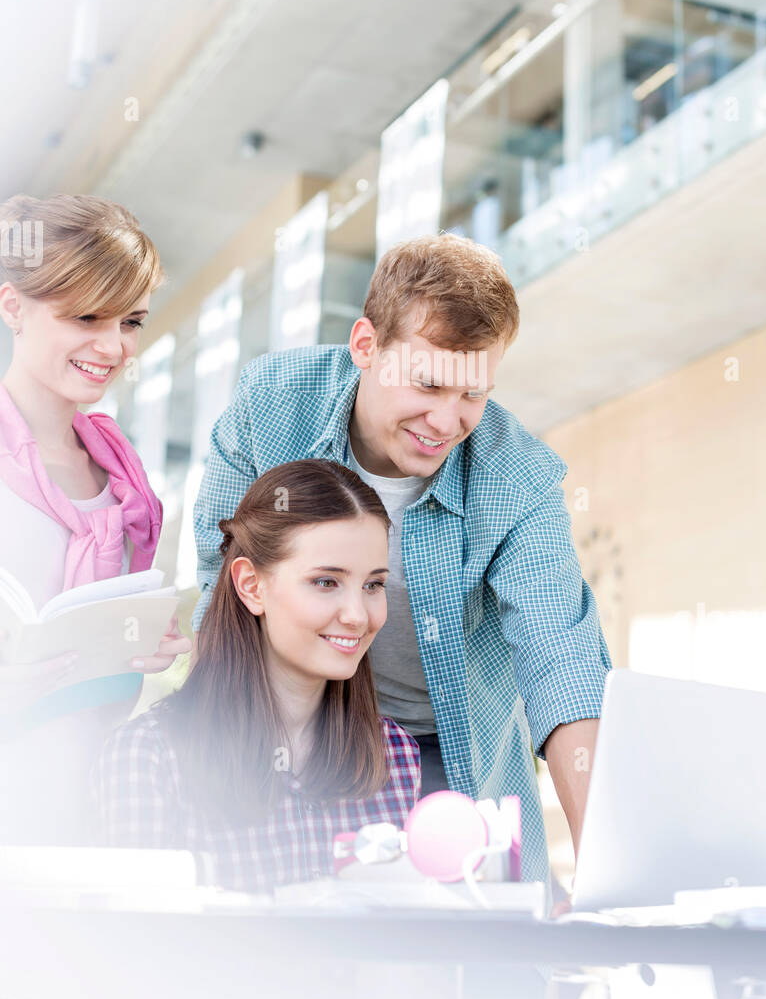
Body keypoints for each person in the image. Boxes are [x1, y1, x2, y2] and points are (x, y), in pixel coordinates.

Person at [191, 233, 611, 891]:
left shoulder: (517, 476)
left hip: (451, 750)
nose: (447, 421)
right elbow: (223, 586)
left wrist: (605, 866)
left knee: (493, 952)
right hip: (297, 730)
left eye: (473, 394)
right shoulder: (271, 407)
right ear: (366, 346)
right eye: (429, 384)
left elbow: (562, 659)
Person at [94, 460, 420, 891]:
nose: (358, 616)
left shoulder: (396, 757)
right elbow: (139, 948)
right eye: (326, 582)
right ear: (251, 585)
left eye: (373, 585)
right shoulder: (148, 756)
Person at [0, 193, 190, 843]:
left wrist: (144, 641)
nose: (112, 347)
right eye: (86, 316)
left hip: (92, 800)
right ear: (12, 306)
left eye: (131, 321)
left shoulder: (123, 473)